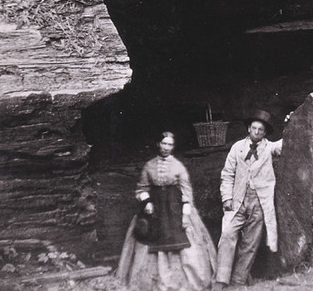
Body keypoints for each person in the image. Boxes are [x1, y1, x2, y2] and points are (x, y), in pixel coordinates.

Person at [117, 132, 217, 291]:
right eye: (164, 144)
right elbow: (141, 188)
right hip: (155, 210)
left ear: (173, 147)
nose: (166, 148)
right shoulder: (149, 165)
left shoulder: (178, 166)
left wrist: (185, 214)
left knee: (182, 240)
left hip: (174, 208)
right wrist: (146, 201)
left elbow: (187, 192)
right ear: (158, 144)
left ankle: (182, 282)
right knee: (149, 240)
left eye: (169, 145)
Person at [214, 110, 282, 289]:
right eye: (254, 128)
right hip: (237, 201)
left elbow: (287, 143)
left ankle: (238, 281)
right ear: (248, 129)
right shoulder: (237, 147)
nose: (257, 132)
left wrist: (291, 122)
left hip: (259, 203)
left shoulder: (269, 147)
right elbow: (227, 174)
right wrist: (227, 198)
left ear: (265, 133)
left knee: (250, 244)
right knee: (227, 236)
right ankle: (221, 281)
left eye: (261, 130)